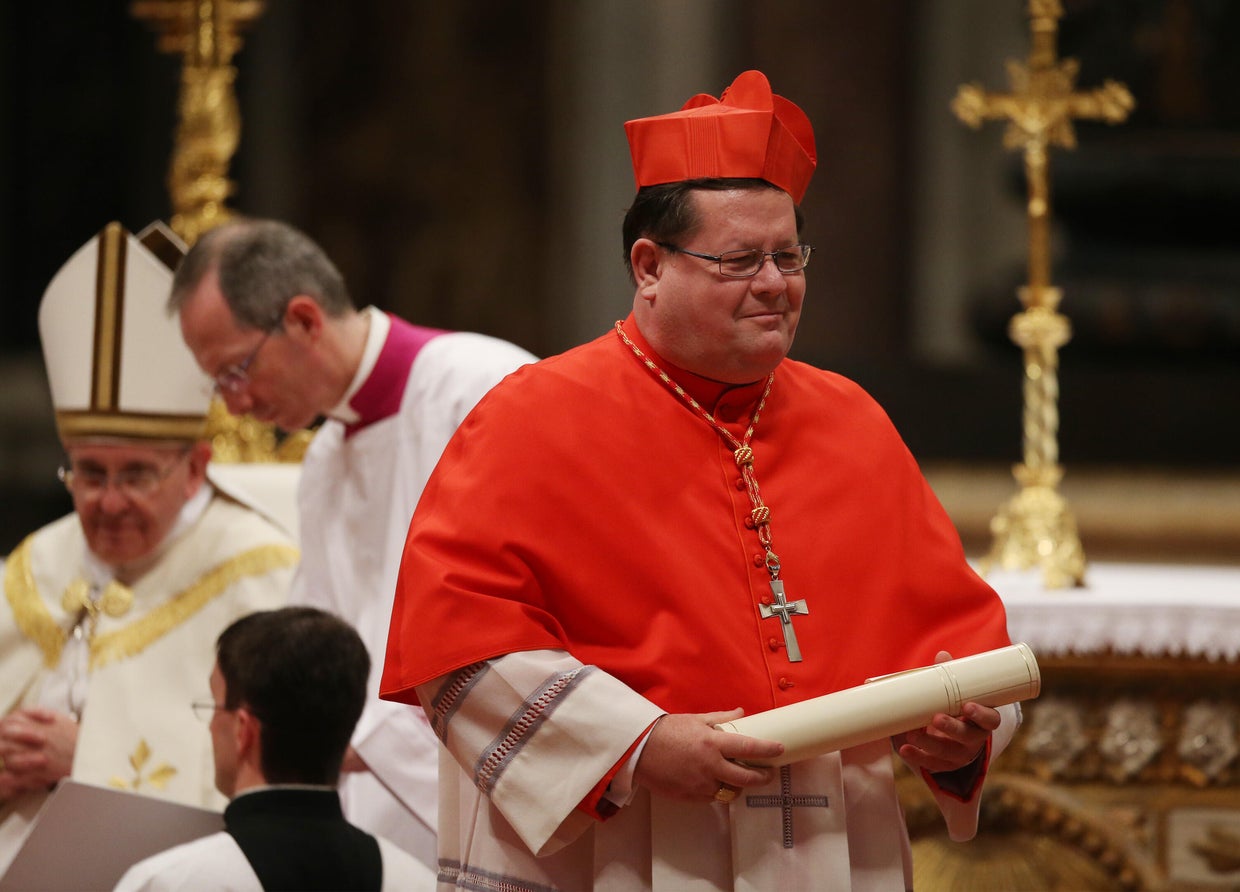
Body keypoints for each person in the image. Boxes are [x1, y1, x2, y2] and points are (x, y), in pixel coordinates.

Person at [380, 70, 1021, 891]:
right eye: (740, 259)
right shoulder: (531, 418)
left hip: (825, 842)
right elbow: (459, 651)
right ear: (649, 265)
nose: (775, 284)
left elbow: (960, 640)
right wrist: (635, 745)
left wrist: (966, 734)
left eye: (788, 256)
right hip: (621, 842)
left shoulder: (850, 419)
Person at [167, 219, 536, 870]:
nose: (236, 404)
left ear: (305, 320)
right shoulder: (325, 457)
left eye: (235, 372)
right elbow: (321, 648)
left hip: (481, 798)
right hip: (374, 818)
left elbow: (520, 625)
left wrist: (345, 736)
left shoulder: (479, 387)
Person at [0, 222, 297, 873]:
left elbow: (282, 780)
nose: (106, 503)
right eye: (87, 473)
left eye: (134, 475)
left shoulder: (259, 576)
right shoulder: (36, 564)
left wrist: (88, 760)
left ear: (194, 467)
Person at [114, 606, 434, 891]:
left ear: (243, 730)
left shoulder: (170, 882)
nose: (211, 725)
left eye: (215, 705)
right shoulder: (416, 881)